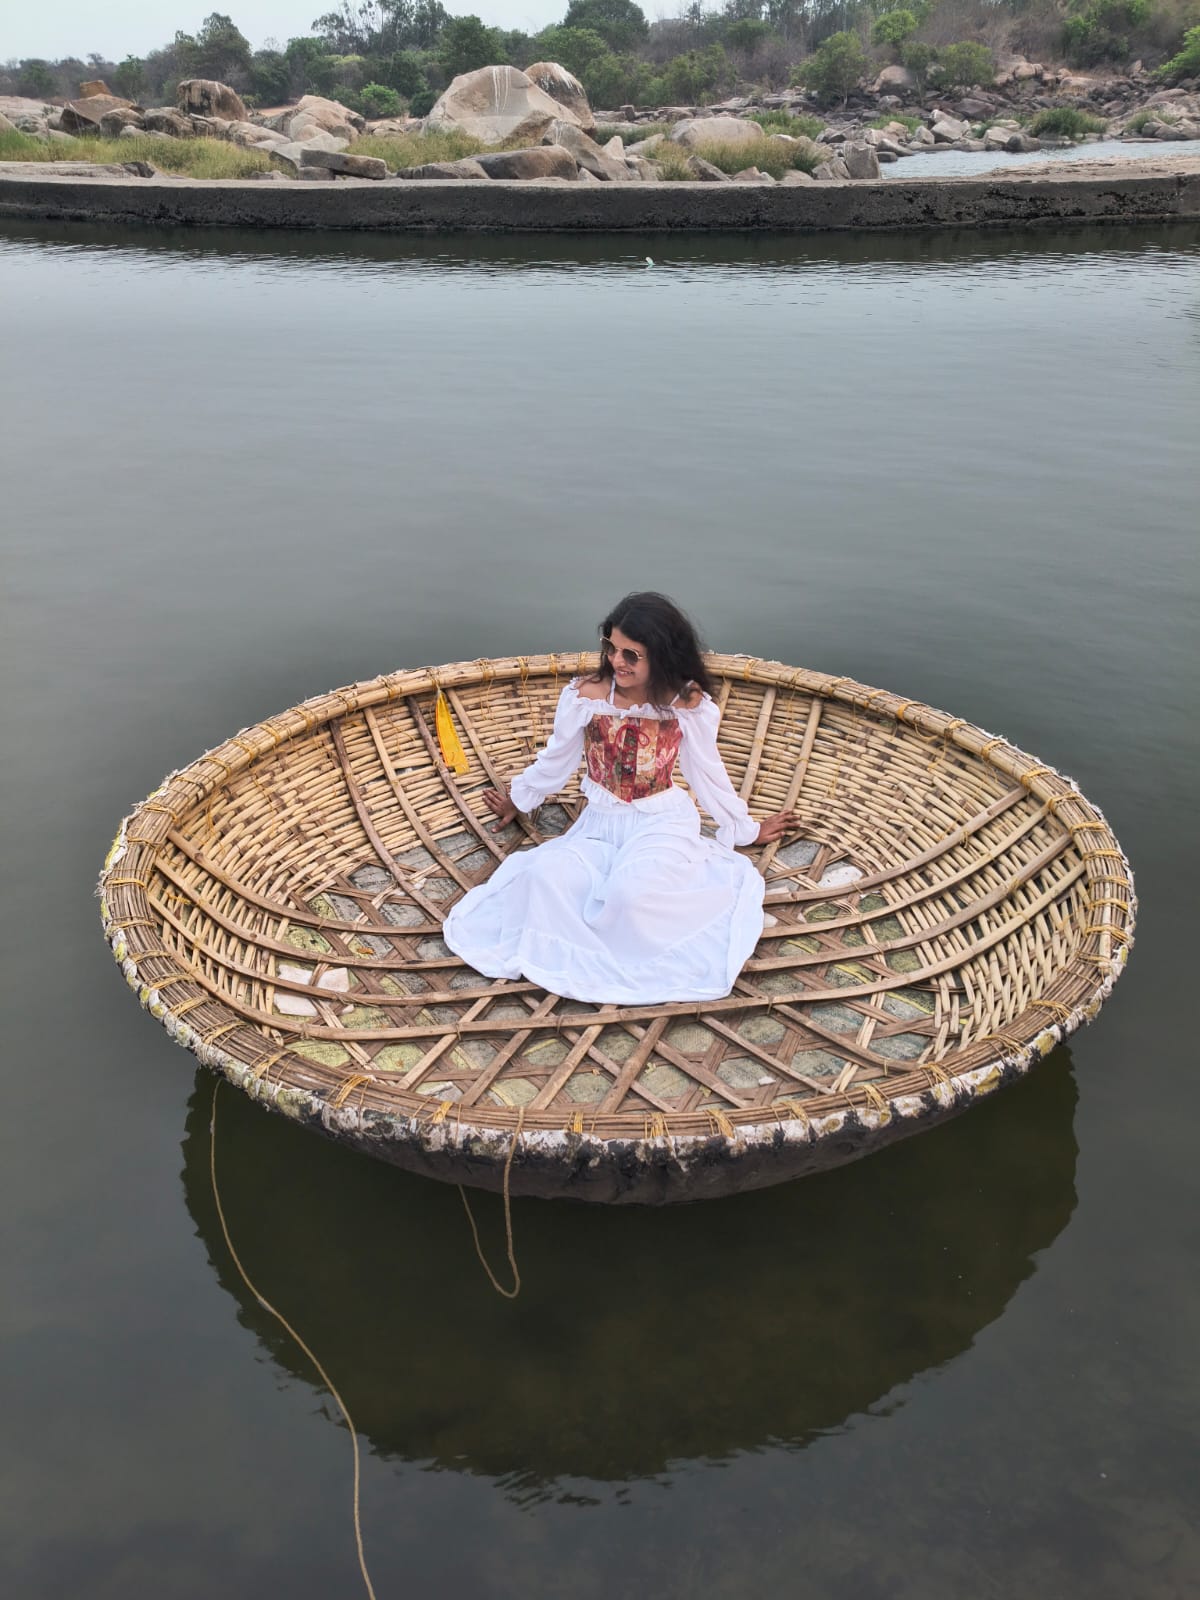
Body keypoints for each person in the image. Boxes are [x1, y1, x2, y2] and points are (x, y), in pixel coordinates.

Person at [442, 593, 797, 1006]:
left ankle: (631, 957)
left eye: (633, 654)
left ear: (662, 655)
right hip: (598, 824)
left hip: (661, 820)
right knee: (542, 879)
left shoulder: (686, 704)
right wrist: (519, 800)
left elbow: (707, 772)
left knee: (630, 897)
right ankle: (583, 956)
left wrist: (744, 829)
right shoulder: (586, 695)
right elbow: (556, 758)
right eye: (612, 647)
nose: (617, 661)